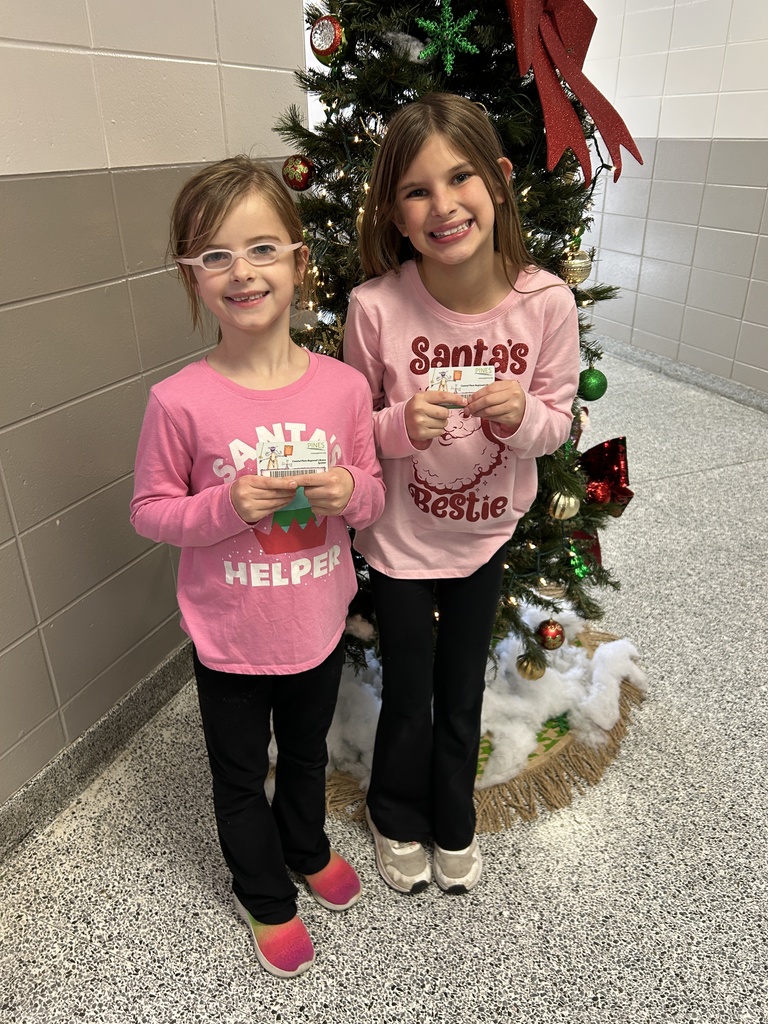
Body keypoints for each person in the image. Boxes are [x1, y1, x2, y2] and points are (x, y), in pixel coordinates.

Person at [130, 156, 385, 978]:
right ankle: (263, 892)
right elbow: (149, 512)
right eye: (214, 255)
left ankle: (306, 848)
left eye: (262, 248)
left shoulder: (343, 389)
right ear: (190, 276)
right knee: (240, 777)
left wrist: (349, 488)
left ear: (300, 262)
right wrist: (222, 509)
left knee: (306, 757)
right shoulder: (179, 401)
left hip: (315, 625)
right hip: (230, 639)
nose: (241, 272)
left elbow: (372, 502)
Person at [343, 94, 580, 896]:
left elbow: (556, 423)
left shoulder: (544, 303)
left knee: (464, 686)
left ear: (501, 181)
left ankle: (455, 813)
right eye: (416, 191)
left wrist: (527, 418)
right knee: (410, 691)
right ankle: (393, 812)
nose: (443, 205)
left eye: (461, 178)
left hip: (485, 533)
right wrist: (403, 425)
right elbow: (356, 431)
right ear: (395, 214)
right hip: (402, 543)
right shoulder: (375, 309)